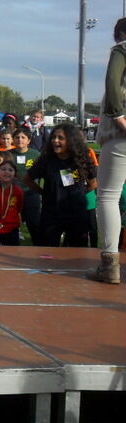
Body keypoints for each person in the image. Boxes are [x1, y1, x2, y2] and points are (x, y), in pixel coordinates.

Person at [90, 18, 126, 283]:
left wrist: (118, 115)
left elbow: (113, 81)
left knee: (108, 196)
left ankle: (110, 264)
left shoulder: (121, 49)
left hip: (120, 133)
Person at [24, 123, 97, 247]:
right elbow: (28, 179)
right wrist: (44, 192)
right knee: (48, 251)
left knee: (77, 250)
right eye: (53, 137)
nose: (55, 140)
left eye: (60, 138)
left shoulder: (82, 159)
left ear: (71, 140)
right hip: (51, 213)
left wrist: (79, 194)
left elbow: (93, 183)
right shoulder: (46, 160)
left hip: (77, 214)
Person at [9, 127, 41, 244]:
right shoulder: (9, 154)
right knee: (12, 222)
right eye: (17, 137)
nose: (20, 140)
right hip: (12, 194)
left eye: (23, 137)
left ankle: (38, 246)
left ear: (28, 140)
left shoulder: (36, 154)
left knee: (34, 223)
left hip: (31, 194)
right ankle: (12, 245)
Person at [0, 160, 23, 246]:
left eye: (10, 170)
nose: (7, 172)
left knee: (12, 250)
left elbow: (19, 208)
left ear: (15, 174)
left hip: (12, 227)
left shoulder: (18, 191)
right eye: (3, 169)